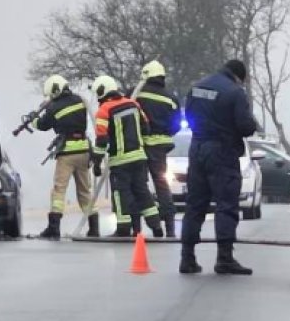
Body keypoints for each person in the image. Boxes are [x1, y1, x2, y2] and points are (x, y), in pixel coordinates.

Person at [180, 60, 259, 276]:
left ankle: (187, 257)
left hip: (197, 149)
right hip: (222, 152)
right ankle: (224, 258)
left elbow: (188, 116)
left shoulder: (197, 87)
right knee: (226, 204)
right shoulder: (235, 92)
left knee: (195, 204)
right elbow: (245, 126)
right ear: (239, 77)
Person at [91, 74, 164, 238]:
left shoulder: (104, 110)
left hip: (120, 161)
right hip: (139, 157)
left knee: (121, 194)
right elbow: (146, 128)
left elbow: (101, 140)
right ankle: (156, 227)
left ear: (103, 91)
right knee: (142, 192)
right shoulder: (133, 104)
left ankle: (123, 229)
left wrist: (96, 163)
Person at [30, 74, 99, 239]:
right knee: (85, 191)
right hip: (83, 151)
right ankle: (94, 228)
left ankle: (54, 228)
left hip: (67, 153)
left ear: (54, 90)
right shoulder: (80, 100)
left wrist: (33, 119)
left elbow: (43, 125)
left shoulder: (53, 107)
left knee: (59, 190)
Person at [135, 60, 182, 238]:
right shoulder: (171, 97)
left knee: (139, 185)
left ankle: (140, 227)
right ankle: (169, 228)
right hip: (161, 148)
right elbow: (177, 125)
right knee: (162, 185)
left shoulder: (138, 94)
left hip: (141, 145)